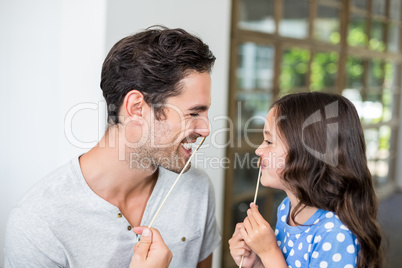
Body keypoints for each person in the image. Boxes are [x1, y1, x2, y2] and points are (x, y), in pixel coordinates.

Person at [5, 26, 221, 267]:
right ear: (137, 108)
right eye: (193, 113)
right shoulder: (38, 224)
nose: (206, 130)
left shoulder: (197, 189)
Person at [229, 92, 383, 268]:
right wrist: (256, 262)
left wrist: (269, 252)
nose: (258, 150)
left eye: (269, 141)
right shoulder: (287, 207)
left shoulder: (334, 233)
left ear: (309, 153)